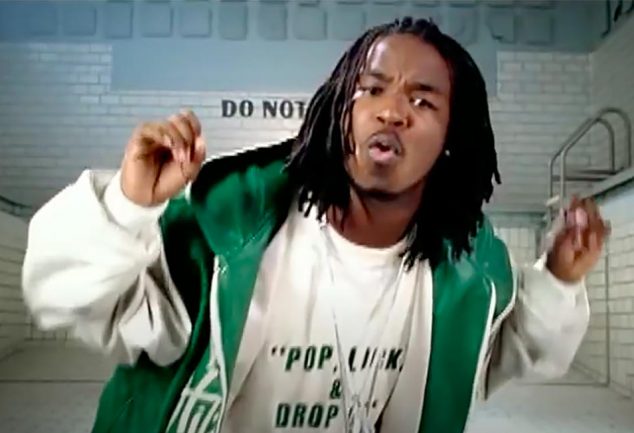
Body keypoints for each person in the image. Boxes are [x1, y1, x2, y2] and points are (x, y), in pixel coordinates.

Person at [22, 17, 607, 433]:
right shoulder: (227, 226)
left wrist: (559, 279)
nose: (390, 110)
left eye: (423, 101)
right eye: (370, 89)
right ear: (338, 111)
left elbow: (488, 356)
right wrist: (127, 205)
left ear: (452, 140)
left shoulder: (468, 267)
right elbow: (67, 299)